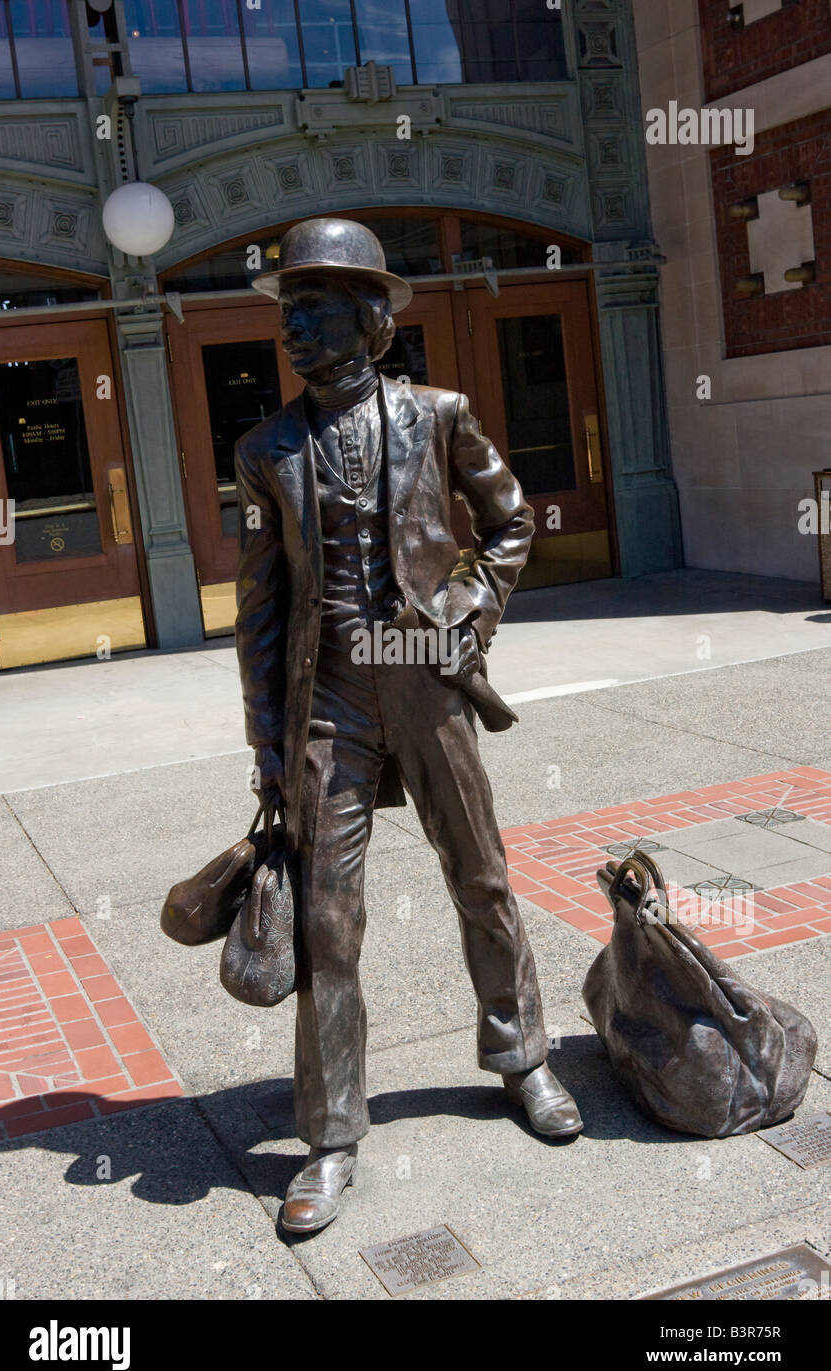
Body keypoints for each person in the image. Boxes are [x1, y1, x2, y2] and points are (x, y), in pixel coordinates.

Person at [235, 217, 582, 1235]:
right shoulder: (266, 449)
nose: (294, 326)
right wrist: (265, 742)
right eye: (288, 310)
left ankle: (522, 1059)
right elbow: (260, 608)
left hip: (425, 683)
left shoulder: (439, 414)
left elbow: (512, 521)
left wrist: (464, 614)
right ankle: (332, 1133)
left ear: (369, 317)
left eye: (314, 308)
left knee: (481, 876)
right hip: (328, 706)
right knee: (327, 922)